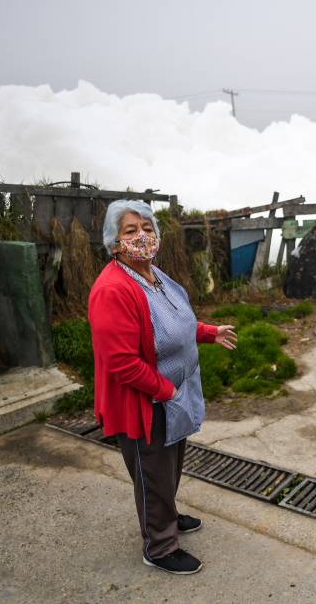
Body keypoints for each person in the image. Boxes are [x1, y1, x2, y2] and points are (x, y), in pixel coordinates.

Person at [88, 200, 237, 575]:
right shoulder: (113, 290)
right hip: (144, 402)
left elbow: (175, 323)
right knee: (152, 471)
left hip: (171, 396)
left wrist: (208, 332)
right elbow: (120, 362)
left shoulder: (154, 275)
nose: (142, 236)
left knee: (169, 465)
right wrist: (166, 391)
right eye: (130, 230)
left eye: (147, 228)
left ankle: (166, 514)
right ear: (114, 242)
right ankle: (160, 545)